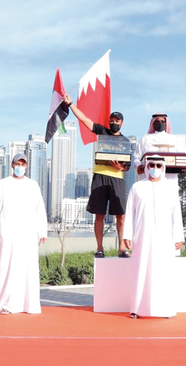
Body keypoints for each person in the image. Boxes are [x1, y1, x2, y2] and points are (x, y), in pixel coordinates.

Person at [63, 93, 130, 258]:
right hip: (99, 176)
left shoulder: (126, 142)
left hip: (117, 179)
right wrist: (70, 104)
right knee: (99, 215)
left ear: (122, 123)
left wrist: (120, 167)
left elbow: (127, 166)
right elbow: (84, 119)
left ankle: (122, 248)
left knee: (121, 216)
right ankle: (100, 248)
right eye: (112, 120)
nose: (114, 123)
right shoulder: (102, 131)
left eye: (117, 121)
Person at [123, 155, 185, 319]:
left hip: (165, 238)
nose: (155, 168)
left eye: (158, 165)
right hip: (142, 236)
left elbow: (176, 214)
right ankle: (137, 309)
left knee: (163, 272)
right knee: (141, 271)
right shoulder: (137, 187)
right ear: (146, 167)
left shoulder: (170, 188)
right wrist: (127, 235)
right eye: (152, 165)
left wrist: (178, 237)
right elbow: (130, 212)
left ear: (163, 168)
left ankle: (165, 309)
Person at [0, 153, 48, 314]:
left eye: (22, 164)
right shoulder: (3, 184)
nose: (20, 167)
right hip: (8, 232)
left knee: (29, 268)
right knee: (7, 267)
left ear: (26, 166)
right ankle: (6, 304)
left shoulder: (33, 185)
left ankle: (29, 305)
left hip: (29, 232)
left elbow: (39, 209)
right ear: (12, 165)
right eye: (17, 164)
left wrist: (42, 231)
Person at [133, 113, 186, 187]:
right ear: (153, 123)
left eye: (163, 121)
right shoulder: (145, 139)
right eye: (157, 121)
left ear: (166, 123)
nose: (160, 123)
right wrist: (139, 166)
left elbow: (185, 156)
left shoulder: (175, 139)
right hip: (150, 177)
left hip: (170, 178)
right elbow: (137, 156)